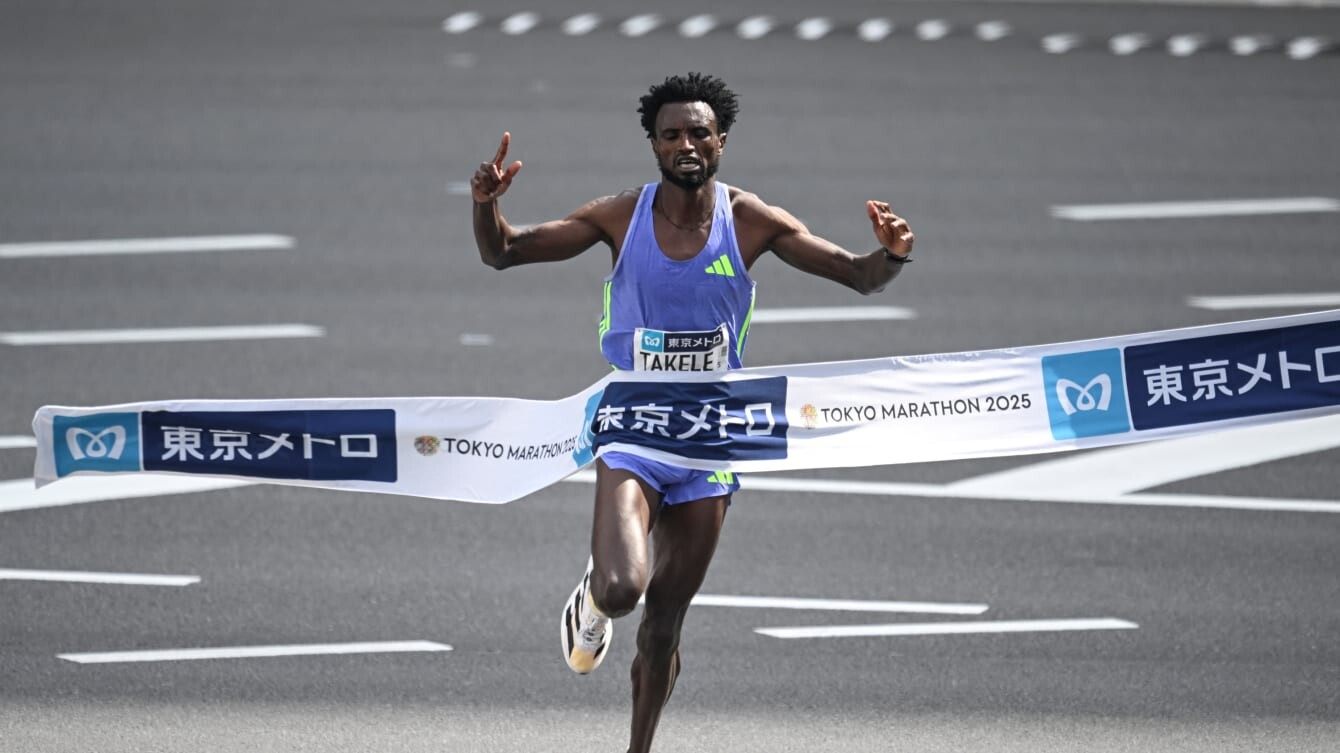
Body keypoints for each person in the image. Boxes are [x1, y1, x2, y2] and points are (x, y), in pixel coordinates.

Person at [470, 72, 914, 753]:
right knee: (623, 590)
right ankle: (593, 596)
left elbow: (857, 275)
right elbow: (502, 252)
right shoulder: (620, 216)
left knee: (663, 626)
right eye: (671, 134)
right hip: (635, 429)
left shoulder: (752, 220)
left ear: (721, 141)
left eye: (699, 133)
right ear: (653, 144)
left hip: (711, 440)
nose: (686, 145)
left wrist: (892, 254)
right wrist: (486, 206)